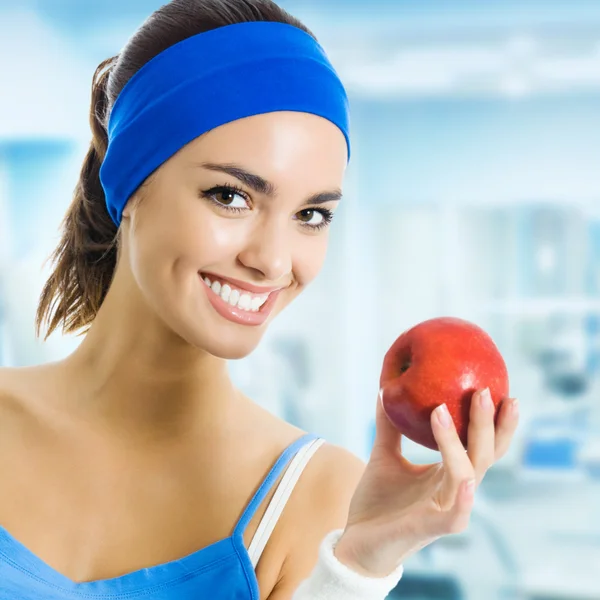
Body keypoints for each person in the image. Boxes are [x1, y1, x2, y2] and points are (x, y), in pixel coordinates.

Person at [0, 0, 520, 598]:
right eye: (229, 196)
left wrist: (358, 569)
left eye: (311, 215)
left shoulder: (320, 498)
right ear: (129, 180)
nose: (273, 260)